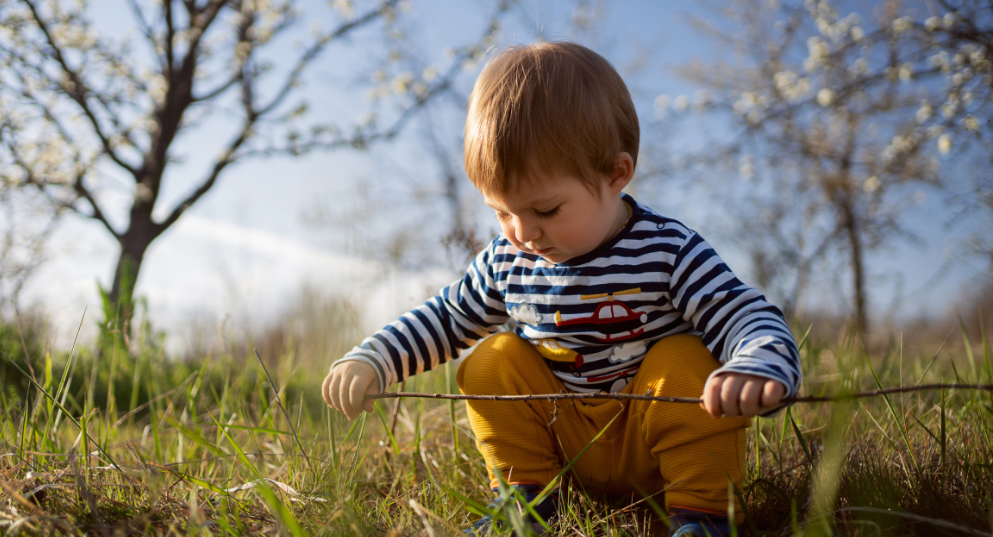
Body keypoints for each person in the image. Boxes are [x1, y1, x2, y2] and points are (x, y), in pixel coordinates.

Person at [321, 42, 801, 536]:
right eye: (502, 212)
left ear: (616, 174)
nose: (523, 233)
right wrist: (375, 357)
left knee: (684, 360)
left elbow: (741, 311)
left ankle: (703, 517)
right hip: (566, 443)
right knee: (491, 359)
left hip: (656, 447)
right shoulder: (508, 261)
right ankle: (526, 501)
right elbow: (446, 319)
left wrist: (759, 363)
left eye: (546, 210)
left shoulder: (667, 249)